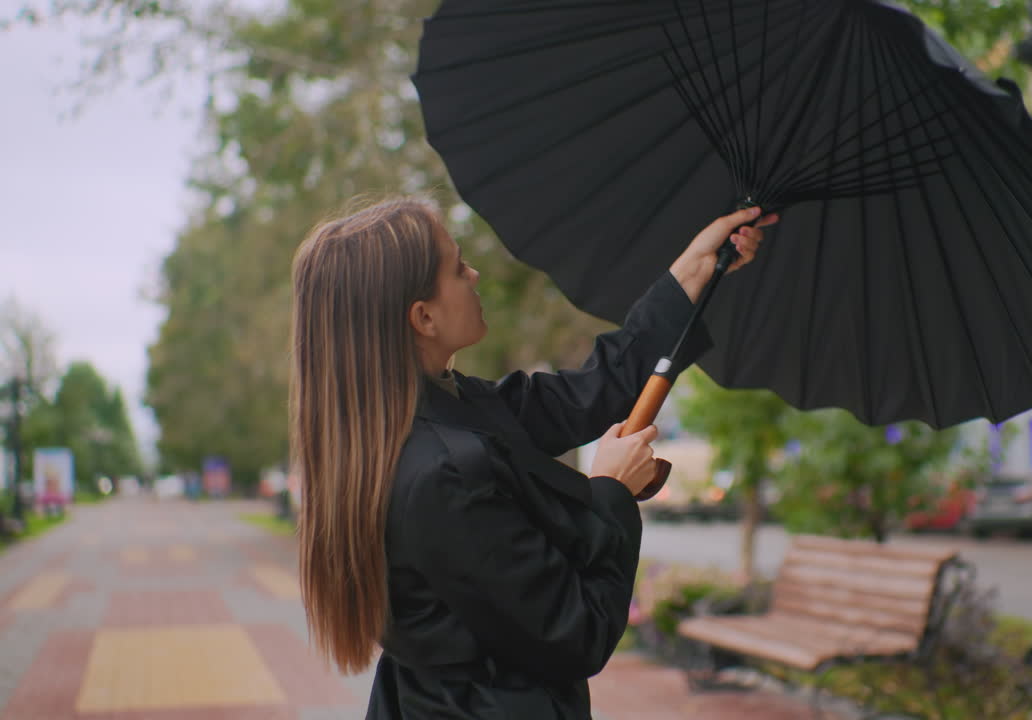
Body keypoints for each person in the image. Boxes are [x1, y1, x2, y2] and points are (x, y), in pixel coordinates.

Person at [288, 197, 776, 719]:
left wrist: (693, 274)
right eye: (457, 268)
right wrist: (611, 491)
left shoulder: (447, 408)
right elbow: (577, 631)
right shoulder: (440, 474)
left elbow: (587, 393)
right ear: (423, 317)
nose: (474, 275)